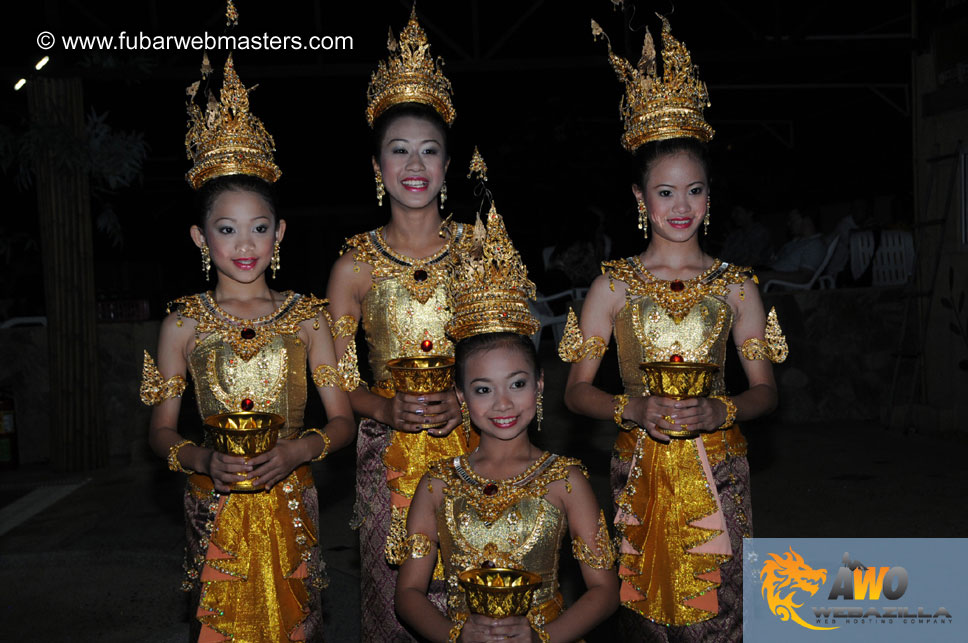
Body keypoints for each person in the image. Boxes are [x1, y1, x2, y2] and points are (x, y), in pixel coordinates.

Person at [561, 17, 789, 640]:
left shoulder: (737, 284)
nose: (680, 206)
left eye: (694, 190)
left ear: (710, 197)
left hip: (721, 469)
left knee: (724, 615)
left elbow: (766, 391)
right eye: (666, 192)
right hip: (639, 468)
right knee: (646, 618)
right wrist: (630, 406)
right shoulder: (613, 286)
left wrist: (721, 411)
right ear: (641, 199)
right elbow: (575, 391)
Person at [141, 54, 356, 641]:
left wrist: (297, 452)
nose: (245, 243)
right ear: (200, 237)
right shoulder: (183, 322)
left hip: (293, 497)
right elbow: (160, 432)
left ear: (279, 233)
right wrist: (203, 459)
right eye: (226, 228)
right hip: (213, 505)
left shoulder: (309, 318)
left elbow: (343, 424)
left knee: (297, 626)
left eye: (259, 227)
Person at [395, 164, 619, 642]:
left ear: (539, 386)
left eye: (516, 384)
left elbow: (604, 590)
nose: (502, 402)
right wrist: (456, 637)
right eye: (482, 389)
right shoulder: (436, 484)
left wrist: (543, 638)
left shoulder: (567, 480)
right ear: (460, 396)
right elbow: (409, 593)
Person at [324, 7, 475, 640]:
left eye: (429, 150)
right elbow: (334, 382)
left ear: (447, 165)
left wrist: (466, 401)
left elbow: (520, 360)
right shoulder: (353, 265)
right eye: (399, 150)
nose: (415, 164)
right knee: (393, 608)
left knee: (482, 598)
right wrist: (383, 409)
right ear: (379, 166)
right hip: (387, 457)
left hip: (480, 444)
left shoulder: (480, 252)